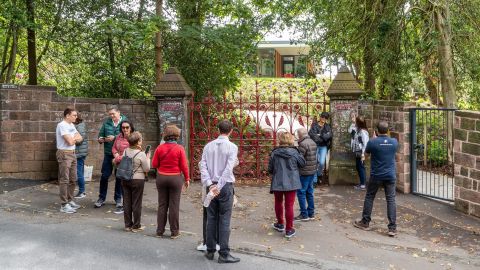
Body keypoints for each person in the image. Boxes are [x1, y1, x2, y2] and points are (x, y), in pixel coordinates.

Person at [200, 120, 240, 263]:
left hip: (212, 185)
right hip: (224, 187)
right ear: (231, 130)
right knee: (224, 219)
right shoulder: (232, 147)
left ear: (218, 129)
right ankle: (223, 253)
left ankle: (210, 250)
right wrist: (219, 185)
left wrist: (210, 184)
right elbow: (228, 169)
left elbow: (202, 166)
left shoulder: (208, 146)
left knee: (211, 218)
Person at [353, 121, 399, 237]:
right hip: (390, 175)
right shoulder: (394, 142)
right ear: (388, 131)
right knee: (391, 199)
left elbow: (366, 155)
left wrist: (374, 140)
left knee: (370, 197)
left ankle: (365, 222)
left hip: (376, 174)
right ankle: (392, 228)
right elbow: (393, 152)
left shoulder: (372, 142)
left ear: (376, 131)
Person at [152, 124, 190, 239]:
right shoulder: (180, 149)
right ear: (176, 135)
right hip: (175, 178)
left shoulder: (160, 148)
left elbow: (154, 164)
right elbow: (184, 166)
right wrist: (187, 179)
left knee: (162, 205)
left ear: (165, 135)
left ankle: (159, 231)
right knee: (174, 205)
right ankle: (174, 232)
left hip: (162, 177)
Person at [268, 132, 306, 238]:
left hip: (278, 181)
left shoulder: (275, 153)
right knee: (289, 205)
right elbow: (303, 164)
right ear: (291, 140)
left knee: (278, 203)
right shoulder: (295, 152)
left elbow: (270, 169)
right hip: (292, 182)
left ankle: (280, 224)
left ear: (280, 140)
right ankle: (289, 229)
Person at [94, 106, 127, 209]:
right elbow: (100, 137)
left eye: (113, 114)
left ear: (119, 113)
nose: (111, 116)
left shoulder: (126, 122)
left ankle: (118, 199)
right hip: (108, 153)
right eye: (110, 114)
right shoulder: (106, 123)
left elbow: (129, 136)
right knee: (104, 176)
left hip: (120, 155)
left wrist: (115, 137)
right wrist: (102, 139)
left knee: (119, 177)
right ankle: (101, 198)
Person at [121, 131, 150, 233]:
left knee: (127, 202)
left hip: (125, 178)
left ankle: (127, 225)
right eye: (141, 139)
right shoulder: (141, 154)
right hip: (137, 179)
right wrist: (148, 158)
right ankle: (136, 226)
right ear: (138, 142)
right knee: (136, 203)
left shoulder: (125, 151)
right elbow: (146, 169)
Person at [56, 108, 83, 214]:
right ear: (67, 115)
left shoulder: (71, 125)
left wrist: (74, 139)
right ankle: (63, 204)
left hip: (72, 153)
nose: (76, 117)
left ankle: (70, 200)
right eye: (74, 115)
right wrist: (74, 138)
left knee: (73, 179)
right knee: (64, 179)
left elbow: (81, 138)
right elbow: (70, 141)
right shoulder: (62, 125)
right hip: (64, 153)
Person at [111, 120, 135, 214]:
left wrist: (117, 158)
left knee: (127, 185)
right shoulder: (119, 136)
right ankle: (119, 202)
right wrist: (116, 154)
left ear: (131, 128)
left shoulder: (134, 137)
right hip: (119, 164)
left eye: (127, 127)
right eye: (123, 127)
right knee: (119, 183)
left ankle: (127, 205)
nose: (125, 129)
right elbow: (114, 147)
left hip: (128, 164)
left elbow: (131, 152)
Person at [294, 128, 317, 221]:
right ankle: (311, 213)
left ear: (300, 135)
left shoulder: (303, 144)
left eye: (298, 135)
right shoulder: (312, 142)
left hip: (304, 172)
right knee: (309, 192)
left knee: (301, 192)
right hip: (312, 170)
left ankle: (304, 214)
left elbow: (300, 160)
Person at [308, 112, 332, 185]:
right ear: (320, 117)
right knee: (315, 162)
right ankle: (314, 180)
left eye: (326, 118)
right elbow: (312, 135)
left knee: (321, 163)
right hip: (315, 146)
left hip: (323, 146)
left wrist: (320, 135)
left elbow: (329, 136)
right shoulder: (314, 125)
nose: (324, 119)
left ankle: (319, 174)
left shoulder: (327, 126)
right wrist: (323, 137)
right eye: (323, 117)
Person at [348, 115, 369, 190]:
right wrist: (353, 123)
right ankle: (361, 183)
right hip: (357, 151)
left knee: (361, 167)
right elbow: (350, 131)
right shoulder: (357, 129)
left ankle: (363, 185)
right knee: (358, 167)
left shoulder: (363, 132)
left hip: (361, 152)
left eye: (356, 121)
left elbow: (366, 143)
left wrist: (363, 154)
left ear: (359, 123)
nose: (355, 122)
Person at [74, 113, 88, 199]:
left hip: (79, 153)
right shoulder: (79, 125)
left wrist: (70, 139)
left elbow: (80, 140)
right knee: (80, 172)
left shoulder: (80, 126)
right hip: (80, 152)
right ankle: (82, 191)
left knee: (78, 172)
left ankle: (82, 191)